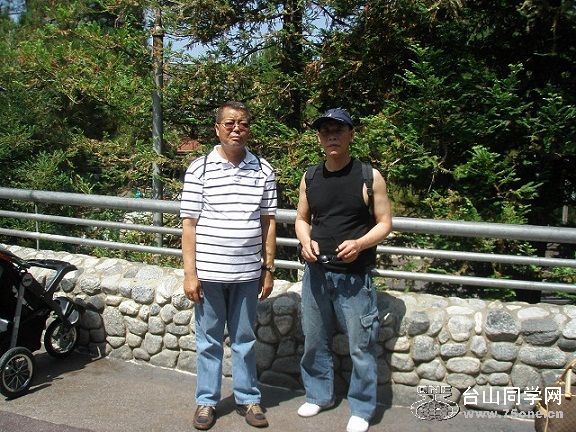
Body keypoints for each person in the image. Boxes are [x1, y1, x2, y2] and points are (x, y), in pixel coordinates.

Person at [180, 101, 277, 430]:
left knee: (245, 338)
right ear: (217, 128)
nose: (237, 129)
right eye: (230, 123)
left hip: (248, 273)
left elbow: (269, 222)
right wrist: (190, 274)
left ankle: (248, 398)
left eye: (243, 123)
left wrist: (268, 268)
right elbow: (189, 224)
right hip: (208, 273)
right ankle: (206, 402)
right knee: (208, 340)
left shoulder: (263, 170)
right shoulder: (200, 169)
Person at [295, 108, 392, 432]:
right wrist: (305, 241)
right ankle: (318, 395)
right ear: (319, 138)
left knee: (361, 346)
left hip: (355, 278)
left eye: (339, 130)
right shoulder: (310, 177)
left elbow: (385, 224)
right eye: (325, 131)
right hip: (316, 274)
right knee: (314, 339)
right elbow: (301, 219)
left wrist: (360, 244)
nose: (332, 136)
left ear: (351, 134)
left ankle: (362, 409)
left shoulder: (369, 176)